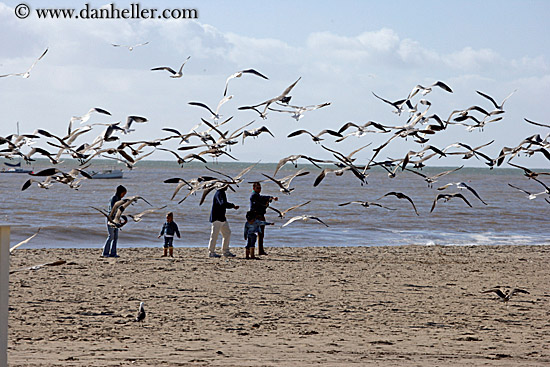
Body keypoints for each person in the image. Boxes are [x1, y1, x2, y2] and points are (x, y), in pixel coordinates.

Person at [208, 185, 239, 258]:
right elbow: (223, 203)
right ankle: (211, 252)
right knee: (214, 235)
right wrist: (233, 206)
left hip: (222, 218)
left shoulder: (222, 192)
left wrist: (232, 206)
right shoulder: (219, 193)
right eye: (226, 185)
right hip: (217, 218)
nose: (227, 187)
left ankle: (225, 251)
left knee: (227, 233)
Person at [249, 182, 278, 255]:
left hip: (259, 216)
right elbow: (261, 199)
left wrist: (269, 200)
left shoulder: (256, 195)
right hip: (256, 217)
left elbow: (262, 202)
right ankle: (253, 251)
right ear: (254, 188)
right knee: (254, 234)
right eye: (257, 188)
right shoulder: (254, 195)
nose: (259, 189)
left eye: (260, 188)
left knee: (260, 234)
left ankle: (260, 250)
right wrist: (270, 198)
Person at [102, 185, 127, 258]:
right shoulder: (114, 198)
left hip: (116, 219)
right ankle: (105, 253)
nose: (124, 195)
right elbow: (114, 210)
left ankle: (113, 253)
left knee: (115, 237)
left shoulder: (119, 199)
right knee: (111, 236)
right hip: (111, 219)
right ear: (120, 192)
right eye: (123, 193)